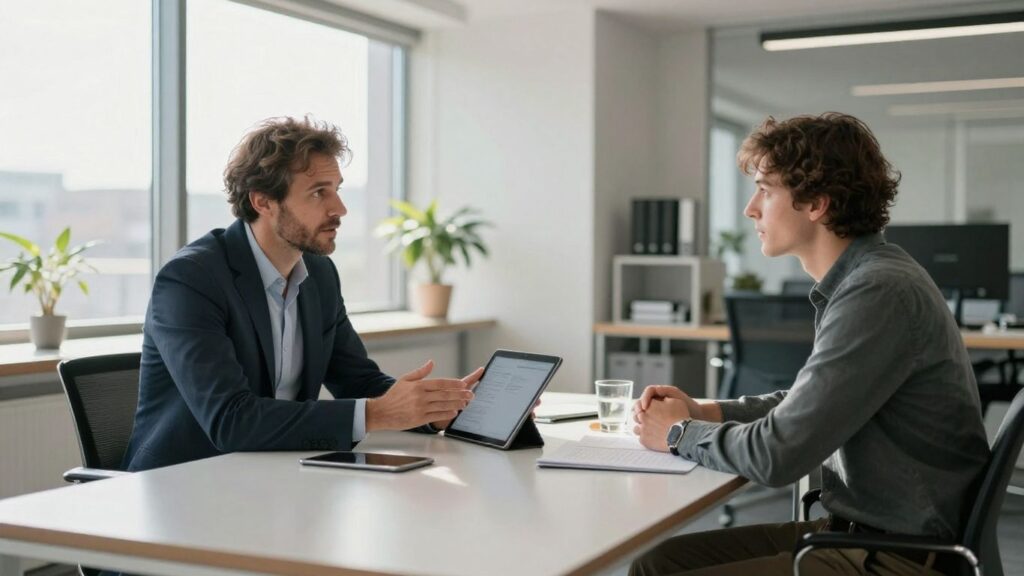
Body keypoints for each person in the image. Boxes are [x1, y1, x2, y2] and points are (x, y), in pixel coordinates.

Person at [630, 112, 990, 576]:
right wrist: (705, 412)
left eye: (766, 189)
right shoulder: (865, 280)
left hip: (899, 557)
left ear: (816, 203)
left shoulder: (878, 291)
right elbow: (806, 405)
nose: (751, 209)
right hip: (858, 532)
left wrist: (678, 433)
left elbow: (779, 455)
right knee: (656, 564)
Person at [123, 116, 480, 472]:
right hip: (182, 484)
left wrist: (434, 408)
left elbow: (357, 380)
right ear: (263, 201)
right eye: (318, 192)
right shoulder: (191, 279)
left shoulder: (319, 274)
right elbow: (230, 420)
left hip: (275, 476)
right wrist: (378, 413)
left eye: (337, 189)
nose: (339, 209)